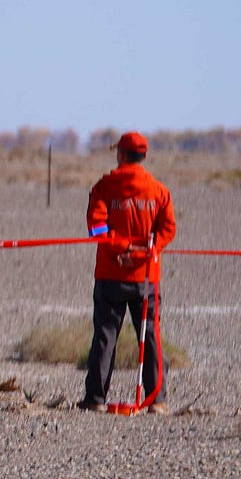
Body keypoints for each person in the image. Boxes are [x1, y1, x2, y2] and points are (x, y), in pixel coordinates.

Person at [81, 131, 177, 411]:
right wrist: (147, 250)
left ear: (121, 155)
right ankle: (157, 401)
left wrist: (120, 251)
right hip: (146, 278)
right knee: (150, 336)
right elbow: (168, 228)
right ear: (143, 157)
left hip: (111, 274)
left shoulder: (104, 187)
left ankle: (95, 399)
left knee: (105, 335)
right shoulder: (159, 191)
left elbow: (96, 227)